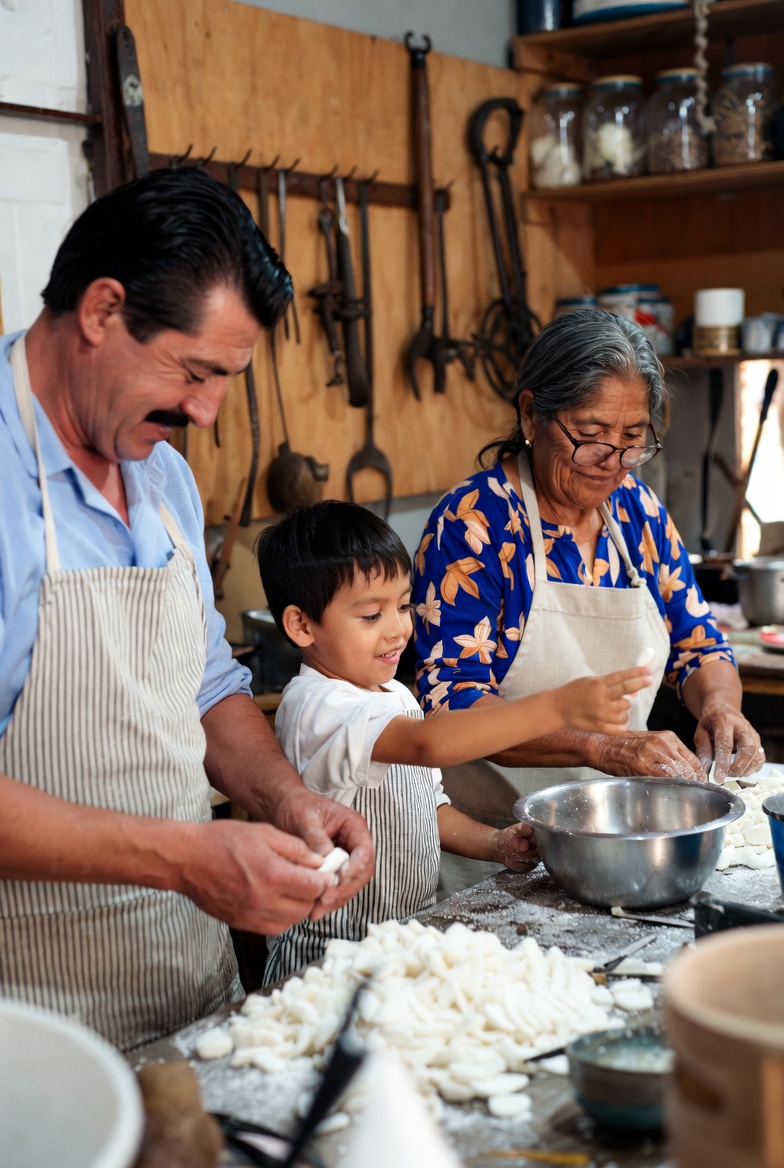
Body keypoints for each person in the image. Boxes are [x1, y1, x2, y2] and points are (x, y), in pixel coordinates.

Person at [0, 168, 374, 1051]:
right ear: (100, 311)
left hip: (185, 991)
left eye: (225, 380)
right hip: (33, 1029)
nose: (205, 411)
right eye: (194, 371)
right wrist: (186, 857)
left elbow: (205, 687)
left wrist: (286, 798)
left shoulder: (159, 472)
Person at [412, 309, 764, 889]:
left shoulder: (638, 512)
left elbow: (699, 646)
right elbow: (453, 708)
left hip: (620, 848)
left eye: (632, 440)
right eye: (591, 437)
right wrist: (601, 748)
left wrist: (720, 708)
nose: (615, 463)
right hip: (496, 854)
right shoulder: (474, 525)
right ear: (531, 414)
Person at [255, 500, 650, 983]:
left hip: (398, 939)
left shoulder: (392, 693)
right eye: (370, 616)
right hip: (327, 954)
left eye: (402, 606)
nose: (398, 628)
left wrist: (496, 843)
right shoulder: (318, 707)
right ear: (301, 625)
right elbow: (426, 745)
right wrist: (557, 708)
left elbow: (426, 805)